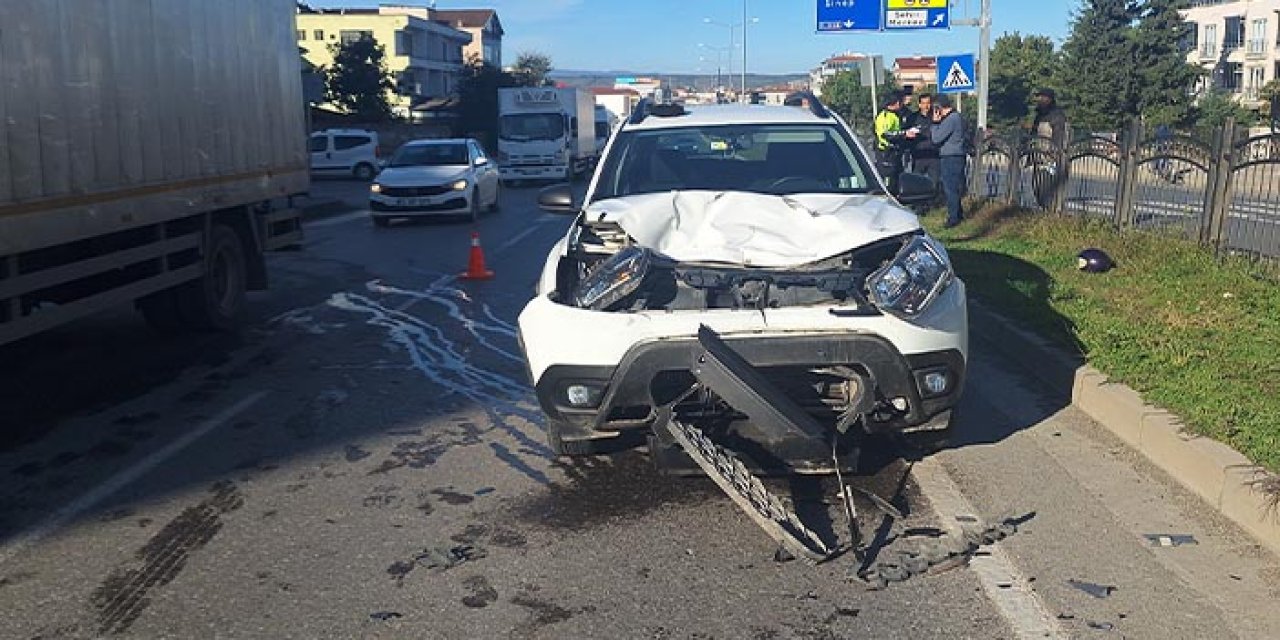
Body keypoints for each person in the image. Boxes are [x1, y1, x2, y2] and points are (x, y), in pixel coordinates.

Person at [930, 94, 967, 228]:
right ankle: (958, 213)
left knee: (950, 188)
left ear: (939, 107)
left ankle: (953, 218)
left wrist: (935, 123)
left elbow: (936, 138)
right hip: (956, 155)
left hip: (951, 156)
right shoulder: (957, 117)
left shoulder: (951, 119)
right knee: (954, 187)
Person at [1030, 88, 1067, 209]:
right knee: (1037, 187)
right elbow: (1033, 134)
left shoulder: (1057, 116)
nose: (1039, 99)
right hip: (1039, 157)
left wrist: (1054, 153)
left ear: (1049, 99)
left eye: (1042, 97)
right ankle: (1045, 210)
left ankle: (1050, 211)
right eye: (1039, 97)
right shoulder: (1039, 115)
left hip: (1051, 159)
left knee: (1046, 187)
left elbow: (1059, 137)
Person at [874, 92, 918, 194]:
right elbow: (886, 134)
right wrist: (905, 134)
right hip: (886, 155)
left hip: (895, 154)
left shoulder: (894, 115)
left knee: (897, 182)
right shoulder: (885, 116)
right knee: (889, 186)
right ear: (897, 103)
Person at [906, 93, 941, 204]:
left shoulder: (936, 117)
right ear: (919, 104)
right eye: (924, 103)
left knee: (934, 182)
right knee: (917, 182)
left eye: (928, 103)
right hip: (918, 155)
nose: (926, 106)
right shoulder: (913, 118)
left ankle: (932, 205)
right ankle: (919, 205)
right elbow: (906, 134)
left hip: (934, 155)